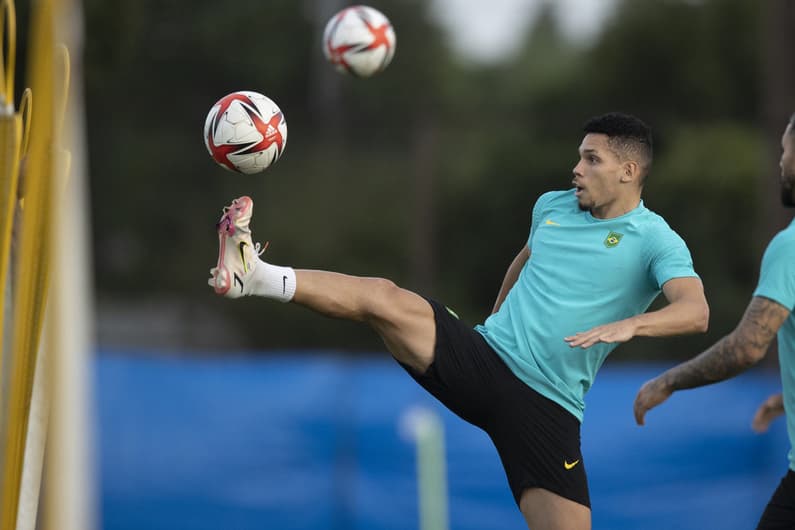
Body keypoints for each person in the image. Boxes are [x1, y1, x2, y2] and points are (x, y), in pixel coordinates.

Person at [208, 112, 709, 530]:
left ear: (627, 170)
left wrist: (632, 326)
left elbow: (695, 311)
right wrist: (493, 319)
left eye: (591, 159)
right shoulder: (552, 206)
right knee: (383, 297)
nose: (576, 168)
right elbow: (526, 258)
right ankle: (255, 274)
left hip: (547, 409)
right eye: (579, 155)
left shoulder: (656, 240)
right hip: (485, 360)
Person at [633, 113, 795, 530]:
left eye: (785, 150)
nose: (781, 161)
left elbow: (747, 347)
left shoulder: (790, 245)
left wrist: (670, 380)